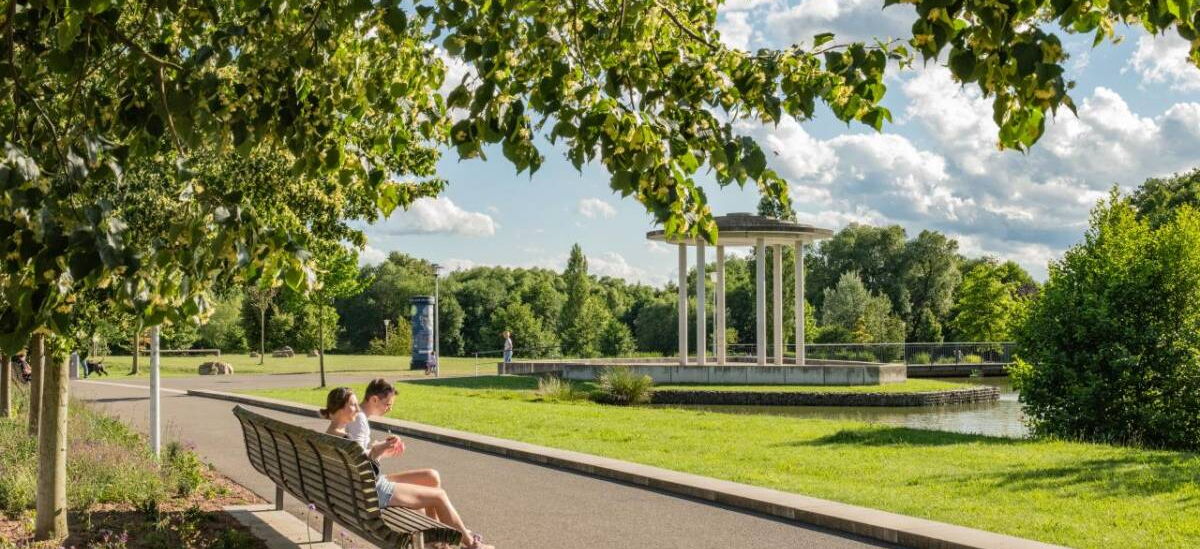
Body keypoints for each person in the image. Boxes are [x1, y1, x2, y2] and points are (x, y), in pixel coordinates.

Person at [324, 381, 494, 549]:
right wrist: (378, 450)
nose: (357, 408)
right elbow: (361, 466)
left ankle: (438, 538)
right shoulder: (357, 424)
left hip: (353, 491)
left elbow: (356, 459)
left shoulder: (333, 434)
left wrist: (379, 450)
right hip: (368, 490)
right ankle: (471, 544)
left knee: (431, 477)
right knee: (439, 495)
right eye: (353, 404)